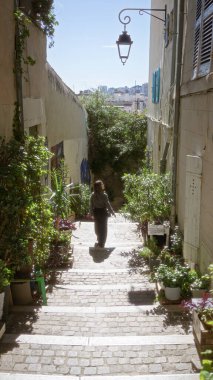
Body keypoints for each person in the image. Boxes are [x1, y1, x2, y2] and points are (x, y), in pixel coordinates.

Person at [89, 180, 115, 248]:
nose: (98, 187)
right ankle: (100, 240)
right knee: (99, 228)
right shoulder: (94, 195)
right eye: (97, 186)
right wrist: (90, 213)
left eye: (99, 186)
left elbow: (107, 204)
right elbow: (91, 205)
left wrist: (112, 212)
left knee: (101, 228)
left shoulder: (103, 195)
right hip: (99, 212)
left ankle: (101, 242)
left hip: (101, 212)